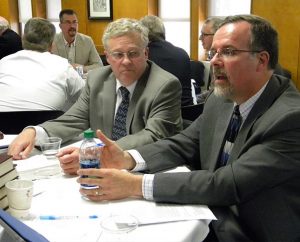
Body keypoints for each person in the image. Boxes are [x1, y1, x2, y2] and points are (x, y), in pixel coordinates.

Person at [75, 15, 300, 242]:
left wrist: (136, 184)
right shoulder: (222, 98)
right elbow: (185, 142)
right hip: (211, 213)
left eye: (228, 52)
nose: (214, 61)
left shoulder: (290, 118)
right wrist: (127, 158)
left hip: (252, 230)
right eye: (214, 53)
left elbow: (227, 184)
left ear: (261, 60)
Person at [8, 18, 183, 173]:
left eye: (133, 53)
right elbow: (74, 119)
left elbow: (154, 135)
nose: (126, 61)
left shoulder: (164, 85)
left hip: (145, 170)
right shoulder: (97, 79)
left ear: (145, 53)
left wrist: (95, 153)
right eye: (118, 54)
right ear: (107, 57)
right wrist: (34, 132)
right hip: (102, 172)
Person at [0, 17, 85, 112]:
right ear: (52, 44)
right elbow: (84, 94)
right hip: (47, 124)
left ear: (23, 38)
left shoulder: (3, 62)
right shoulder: (62, 65)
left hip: (4, 123)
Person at [140, 15, 193, 107]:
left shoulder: (143, 56)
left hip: (156, 114)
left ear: (142, 34)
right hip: (187, 112)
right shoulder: (182, 53)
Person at [51, 9, 103, 74]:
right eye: (68, 22)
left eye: (74, 22)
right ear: (60, 26)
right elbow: (48, 66)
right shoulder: (52, 41)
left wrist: (81, 68)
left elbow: (99, 65)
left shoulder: (87, 41)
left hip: (81, 81)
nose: (72, 26)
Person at [197, 16, 224, 103]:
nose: (200, 38)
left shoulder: (222, 59)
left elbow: (217, 93)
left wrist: (195, 99)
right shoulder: (212, 55)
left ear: (217, 34)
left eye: (204, 34)